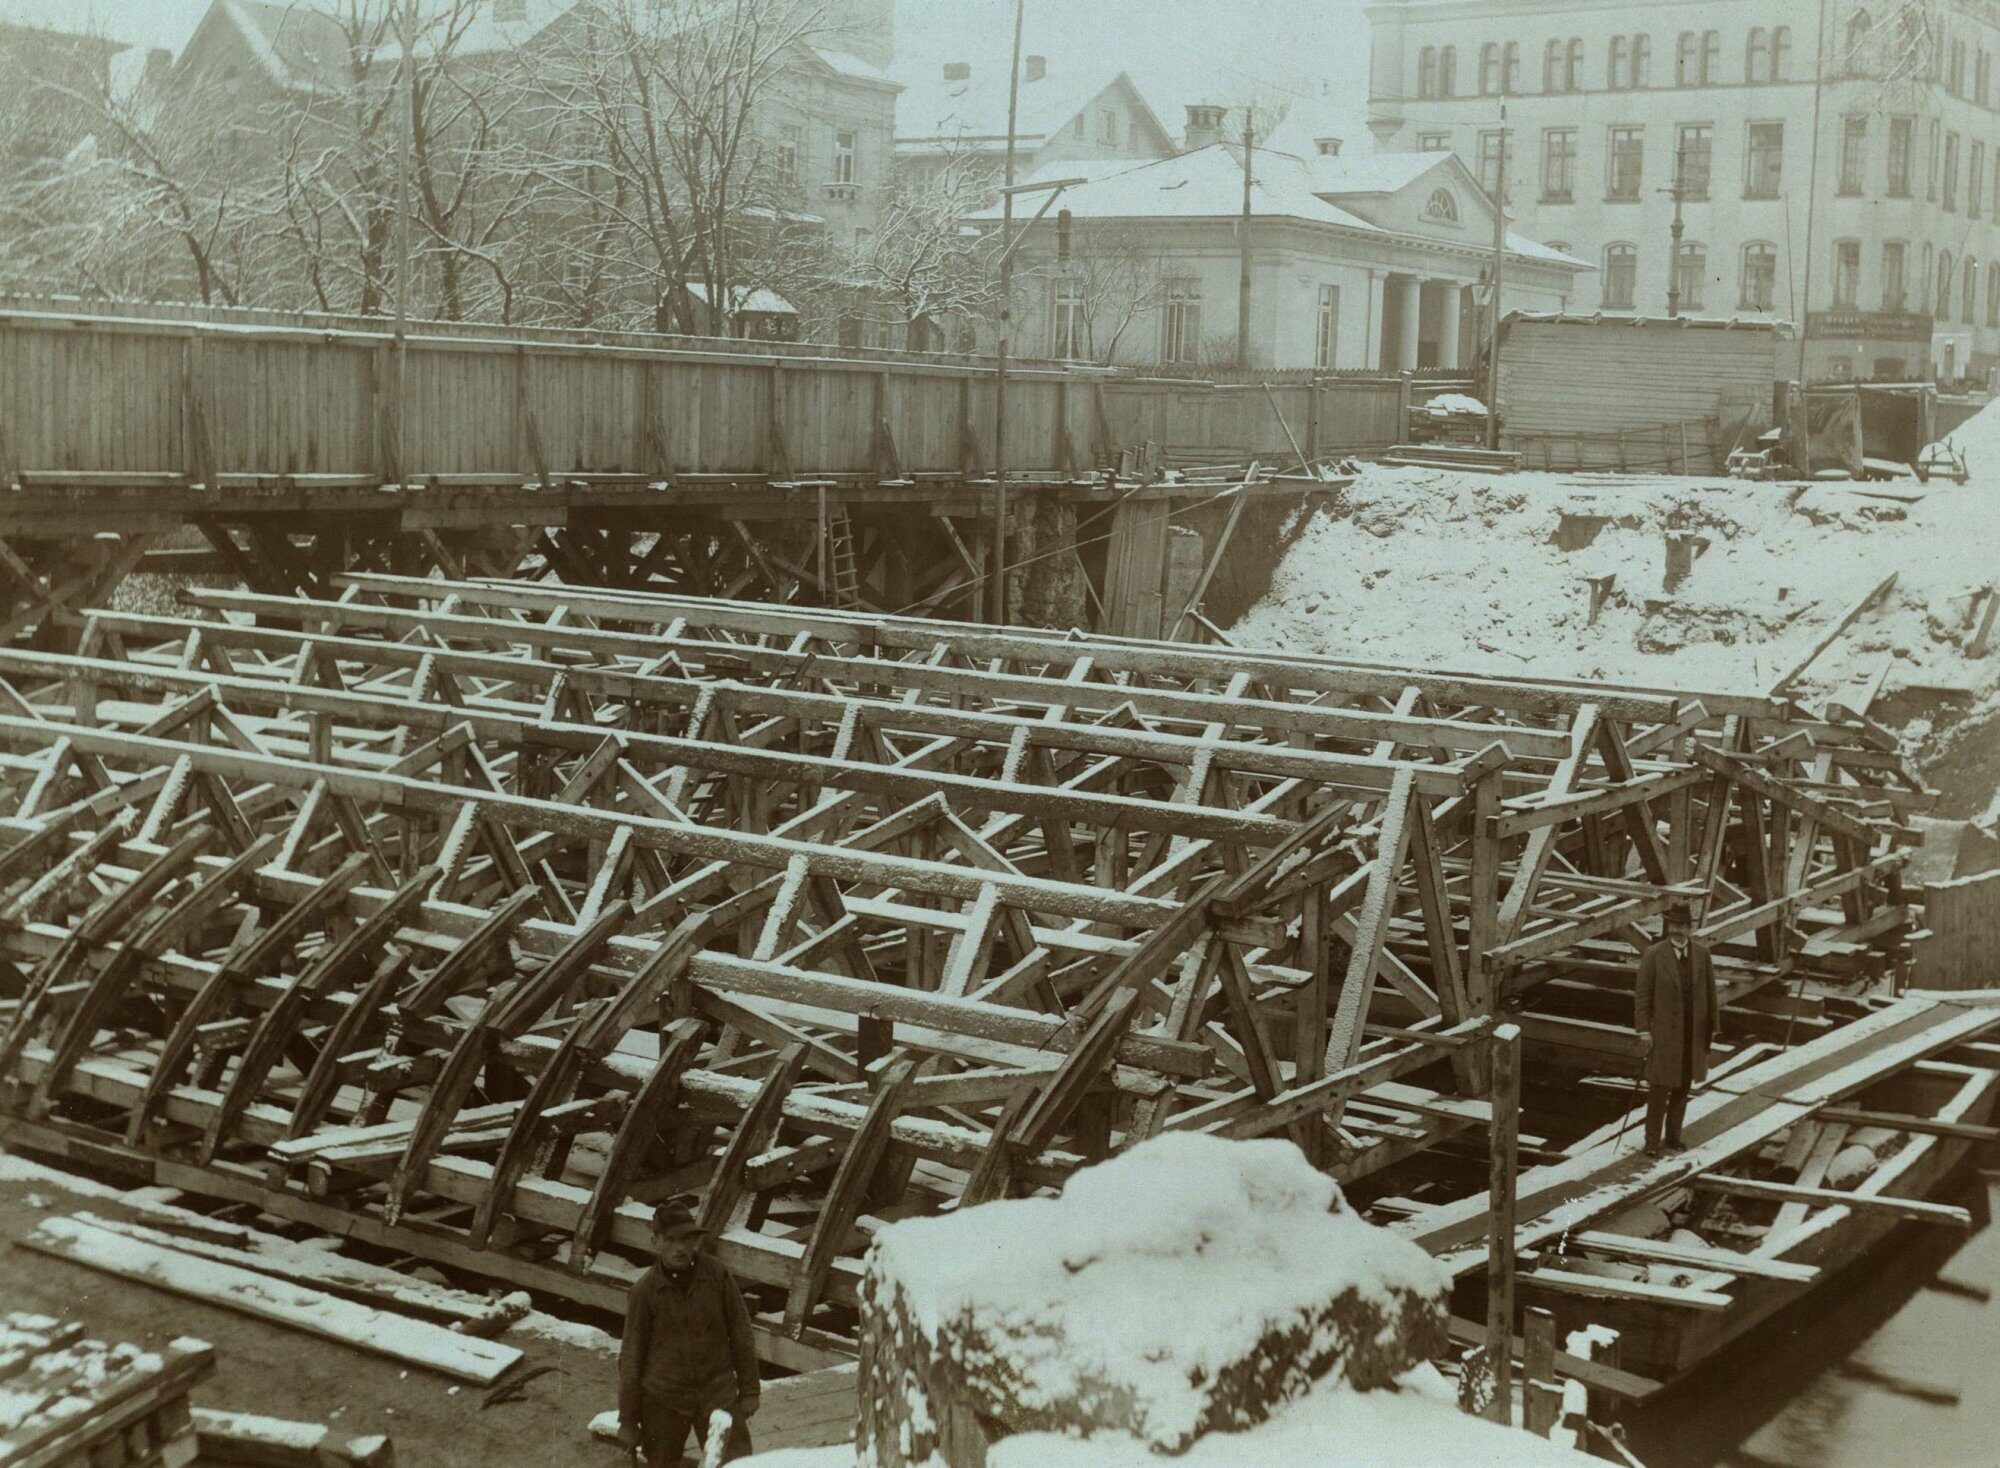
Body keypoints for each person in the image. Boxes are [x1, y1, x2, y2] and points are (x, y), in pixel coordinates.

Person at [618, 1200, 760, 1465]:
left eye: (687, 1239)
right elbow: (631, 1356)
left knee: (738, 1464)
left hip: (718, 1393)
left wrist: (750, 1390)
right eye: (671, 1240)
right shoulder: (644, 1292)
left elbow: (741, 1332)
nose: (681, 1248)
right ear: (655, 1241)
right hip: (664, 1399)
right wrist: (627, 1420)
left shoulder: (717, 1274)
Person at [1633, 903, 1717, 1156]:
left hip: (1693, 1033)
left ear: (1690, 928)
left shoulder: (1702, 954)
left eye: (1681, 926)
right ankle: (1651, 1143)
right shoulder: (1654, 954)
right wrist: (1643, 1031)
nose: (1676, 930)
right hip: (1666, 1035)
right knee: (1659, 1089)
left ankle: (1673, 1138)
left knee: (1682, 1088)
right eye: (1672, 925)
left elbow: (1711, 993)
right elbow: (1642, 995)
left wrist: (1713, 1026)